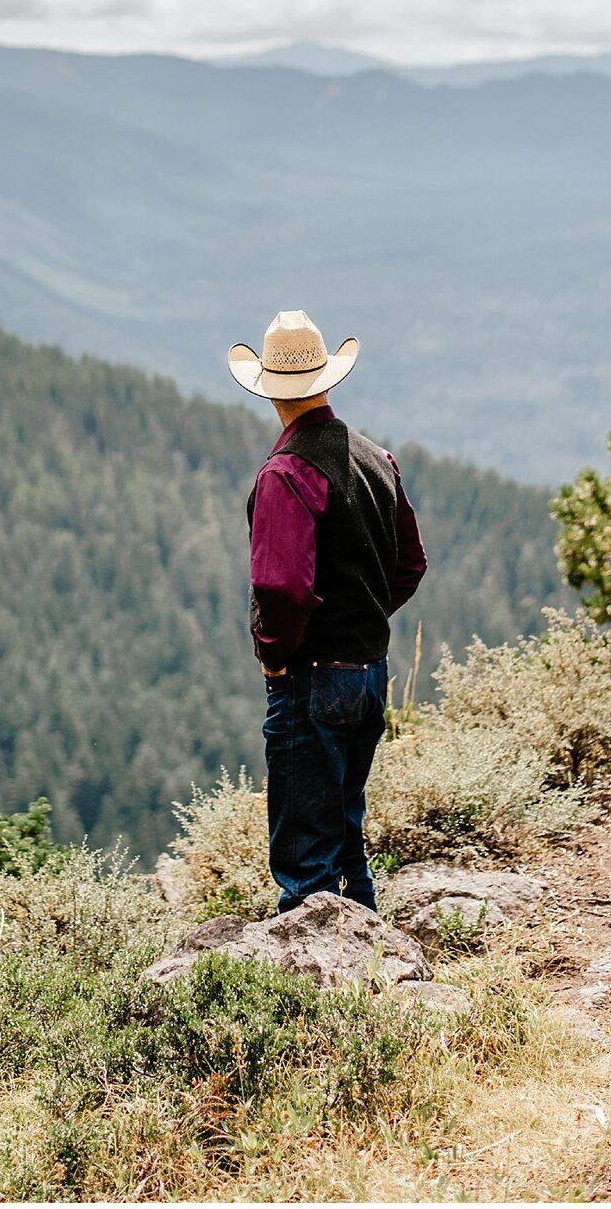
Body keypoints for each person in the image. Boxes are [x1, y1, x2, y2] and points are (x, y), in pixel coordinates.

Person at [229, 309, 427, 914]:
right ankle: (376, 975)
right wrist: (362, 615)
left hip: (311, 678)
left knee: (304, 862)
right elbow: (410, 564)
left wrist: (274, 657)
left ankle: (313, 997)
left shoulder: (285, 473)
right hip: (369, 674)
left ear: (269, 390)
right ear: (325, 379)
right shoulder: (376, 460)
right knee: (345, 836)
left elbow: (280, 587)